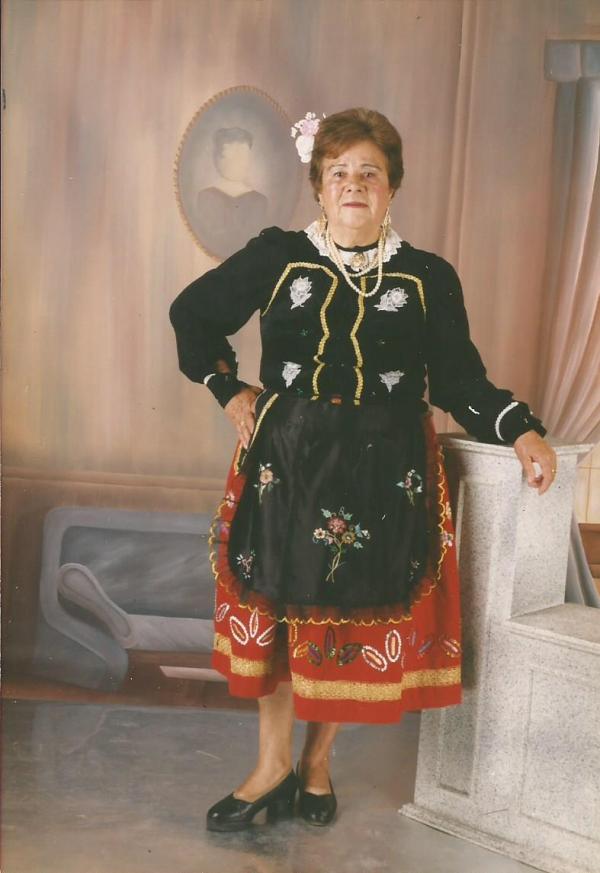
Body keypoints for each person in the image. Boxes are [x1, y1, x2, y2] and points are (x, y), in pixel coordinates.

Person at [169, 107, 556, 832]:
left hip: (385, 472)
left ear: (392, 188)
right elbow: (193, 314)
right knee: (282, 610)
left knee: (348, 617)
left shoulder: (427, 276)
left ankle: (317, 763)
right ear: (319, 186)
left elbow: (460, 379)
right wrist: (229, 388)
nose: (354, 185)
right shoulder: (277, 256)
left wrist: (520, 427)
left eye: (369, 173)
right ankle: (272, 766)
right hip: (287, 465)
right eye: (339, 172)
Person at [194, 127, 268, 259]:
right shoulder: (206, 197)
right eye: (234, 158)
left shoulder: (259, 201)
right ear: (218, 160)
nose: (242, 164)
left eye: (244, 157)